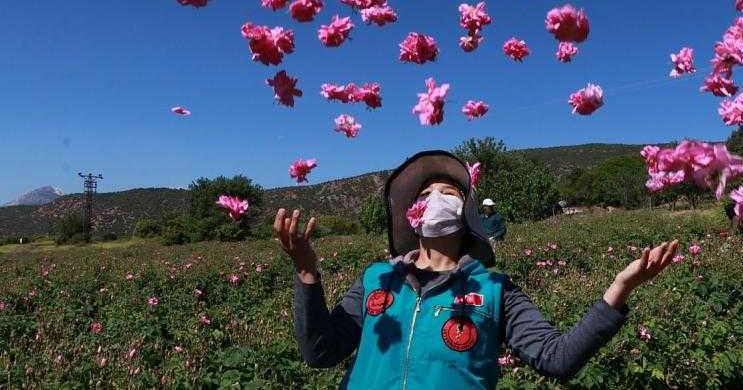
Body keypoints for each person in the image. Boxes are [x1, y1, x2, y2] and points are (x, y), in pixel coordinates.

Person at [278, 150, 679, 390]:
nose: (435, 199)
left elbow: (557, 359)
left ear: (466, 213)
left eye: (448, 193)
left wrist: (618, 290)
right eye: (425, 195)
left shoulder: (494, 290)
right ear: (412, 216)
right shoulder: (376, 280)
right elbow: (319, 353)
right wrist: (307, 272)